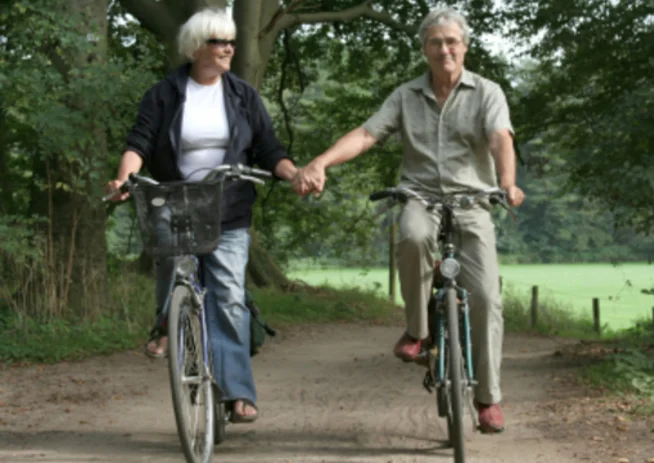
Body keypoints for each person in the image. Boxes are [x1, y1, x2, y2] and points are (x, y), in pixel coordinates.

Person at [293, 7, 524, 433]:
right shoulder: (405, 95)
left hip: (473, 201)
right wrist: (321, 161)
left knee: (487, 298)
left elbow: (499, 138)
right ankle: (417, 331)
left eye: (452, 41)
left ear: (465, 46)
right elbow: (366, 135)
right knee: (414, 236)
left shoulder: (487, 93)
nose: (444, 49)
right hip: (420, 196)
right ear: (424, 49)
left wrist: (507, 183)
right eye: (435, 42)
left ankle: (488, 398)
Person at [105, 8, 297, 423]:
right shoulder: (163, 94)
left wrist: (295, 173)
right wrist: (124, 180)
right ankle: (164, 321)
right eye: (219, 42)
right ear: (195, 48)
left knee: (228, 298)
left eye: (231, 41)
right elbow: (138, 143)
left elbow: (269, 148)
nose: (229, 48)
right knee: (170, 261)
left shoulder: (243, 96)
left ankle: (237, 392)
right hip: (175, 202)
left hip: (228, 207)